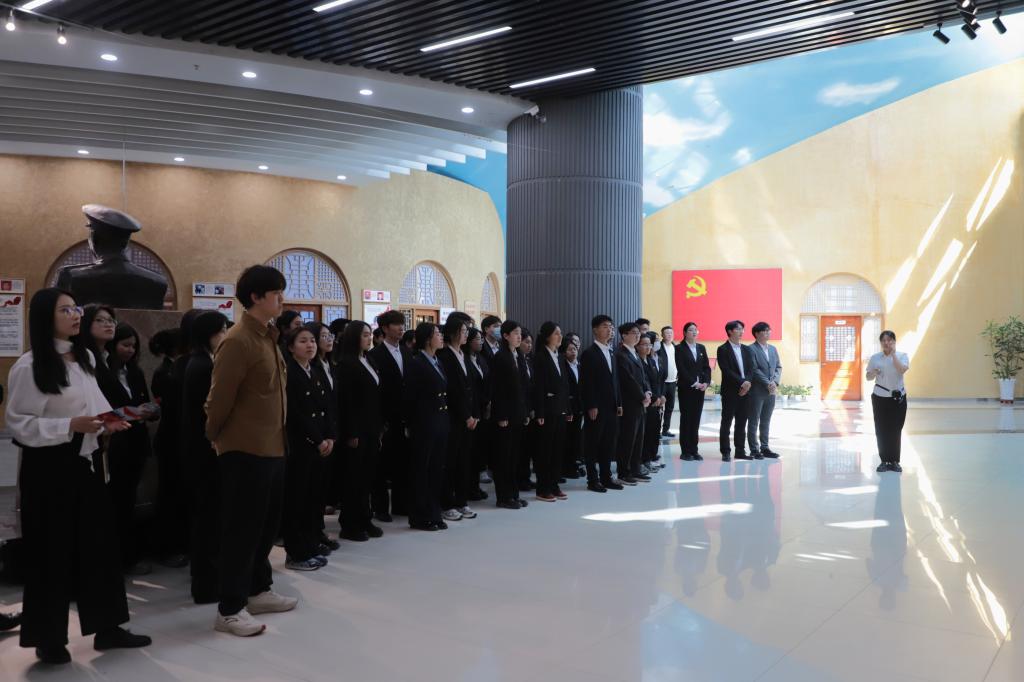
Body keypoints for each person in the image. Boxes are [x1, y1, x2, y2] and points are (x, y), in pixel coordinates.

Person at [5, 288, 150, 664]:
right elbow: (19, 424)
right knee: (50, 551)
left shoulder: (84, 356)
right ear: (45, 317)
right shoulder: (30, 365)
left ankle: (109, 627)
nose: (75, 315)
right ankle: (48, 638)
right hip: (47, 466)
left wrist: (108, 422)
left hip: (86, 461)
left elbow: (94, 404)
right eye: (65, 310)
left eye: (76, 308)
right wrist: (70, 425)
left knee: (99, 545)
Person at [205, 264, 296, 637]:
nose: (282, 299)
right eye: (276, 293)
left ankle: (258, 590)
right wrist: (215, 437)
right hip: (245, 450)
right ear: (256, 297)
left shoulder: (268, 336)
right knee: (242, 531)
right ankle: (229, 609)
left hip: (273, 446)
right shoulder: (239, 340)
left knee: (266, 528)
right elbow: (219, 398)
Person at [181, 310, 229, 604]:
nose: (226, 335)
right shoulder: (202, 366)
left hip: (206, 450)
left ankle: (211, 579)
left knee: (212, 518)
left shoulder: (205, 361)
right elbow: (208, 413)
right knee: (208, 519)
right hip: (204, 452)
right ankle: (206, 584)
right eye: (222, 330)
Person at [103, 322, 156, 575]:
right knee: (113, 503)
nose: (130, 350)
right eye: (125, 345)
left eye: (134, 346)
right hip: (113, 445)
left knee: (128, 501)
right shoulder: (102, 372)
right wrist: (132, 413)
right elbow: (100, 413)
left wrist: (150, 410)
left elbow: (145, 402)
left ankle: (128, 555)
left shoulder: (134, 372)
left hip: (135, 443)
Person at [153, 310, 203, 568]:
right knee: (173, 495)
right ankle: (170, 547)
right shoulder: (178, 368)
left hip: (190, 439)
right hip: (176, 439)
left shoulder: (191, 363)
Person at [282, 326, 335, 567]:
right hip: (302, 445)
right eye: (303, 341)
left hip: (320, 444)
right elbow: (295, 413)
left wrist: (330, 436)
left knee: (313, 499)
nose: (310, 345)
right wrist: (318, 439)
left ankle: (311, 544)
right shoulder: (290, 373)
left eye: (312, 341)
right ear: (291, 347)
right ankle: (296, 552)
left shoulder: (313, 370)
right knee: (298, 501)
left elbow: (326, 407)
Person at [336, 321, 386, 539]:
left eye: (370, 334)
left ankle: (365, 518)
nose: (369, 338)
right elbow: (346, 402)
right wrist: (351, 432)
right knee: (353, 478)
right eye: (365, 335)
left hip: (372, 427)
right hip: (357, 429)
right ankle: (350, 524)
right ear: (354, 337)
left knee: (367, 476)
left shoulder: (369, 359)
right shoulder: (346, 364)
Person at [404, 322, 450, 530]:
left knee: (436, 470)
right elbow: (411, 398)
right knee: (421, 471)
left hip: (439, 422)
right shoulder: (417, 363)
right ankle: (420, 516)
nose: (441, 337)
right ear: (427, 339)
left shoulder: (437, 361)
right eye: (437, 334)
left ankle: (434, 512)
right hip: (424, 424)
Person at [369, 310, 412, 521]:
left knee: (403, 462)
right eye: (396, 324)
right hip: (385, 417)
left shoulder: (406, 352)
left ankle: (401, 504)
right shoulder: (375, 355)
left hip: (405, 416)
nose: (401, 328)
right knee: (382, 465)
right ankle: (380, 508)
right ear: (385, 329)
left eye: (402, 324)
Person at [437, 317, 479, 521]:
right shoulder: (445, 356)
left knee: (464, 461)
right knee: (450, 462)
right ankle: (447, 503)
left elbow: (472, 388)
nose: (466, 334)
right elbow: (453, 391)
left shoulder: (464, 355)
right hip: (454, 418)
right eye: (463, 331)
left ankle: (462, 501)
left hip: (469, 418)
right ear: (453, 333)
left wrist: (475, 415)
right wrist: (466, 415)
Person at [306, 321, 341, 551]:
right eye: (323, 336)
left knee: (322, 488)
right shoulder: (311, 367)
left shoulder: (329, 364)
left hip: (329, 433)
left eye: (330, 336)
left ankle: (318, 531)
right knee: (312, 491)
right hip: (315, 436)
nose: (329, 340)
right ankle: (312, 533)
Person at [581, 315, 623, 492]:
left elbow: (615, 381)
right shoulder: (589, 353)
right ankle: (592, 479)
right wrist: (591, 405)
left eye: (611, 327)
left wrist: (619, 402)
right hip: (596, 407)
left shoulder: (611, 352)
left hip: (611, 406)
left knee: (608, 443)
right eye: (605, 326)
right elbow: (586, 382)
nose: (610, 330)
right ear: (595, 330)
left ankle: (606, 477)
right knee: (593, 443)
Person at [490, 320, 529, 509]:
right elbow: (498, 390)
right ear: (505, 336)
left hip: (518, 413)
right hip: (505, 415)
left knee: (514, 457)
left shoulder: (519, 355)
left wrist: (526, 411)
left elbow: (524, 387)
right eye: (515, 333)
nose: (519, 336)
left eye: (520, 333)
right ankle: (503, 497)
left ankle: (513, 494)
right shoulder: (500, 357)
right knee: (504, 457)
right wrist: (501, 416)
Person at [532, 322, 570, 502]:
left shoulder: (560, 357)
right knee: (545, 451)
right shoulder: (540, 357)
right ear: (547, 336)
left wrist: (568, 408)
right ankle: (543, 488)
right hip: (547, 411)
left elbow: (565, 386)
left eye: (560, 333)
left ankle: (554, 485)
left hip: (560, 409)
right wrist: (539, 413)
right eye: (556, 333)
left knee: (557, 450)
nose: (560, 336)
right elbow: (538, 387)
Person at [866, 330, 910, 473]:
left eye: (890, 340)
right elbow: (868, 377)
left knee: (896, 429)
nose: (887, 343)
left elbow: (901, 370)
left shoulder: (902, 356)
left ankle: (895, 461)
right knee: (881, 429)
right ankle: (884, 461)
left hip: (898, 398)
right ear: (881, 343)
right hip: (880, 397)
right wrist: (874, 372)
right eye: (884, 340)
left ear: (894, 342)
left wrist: (893, 355)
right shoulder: (875, 358)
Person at [615, 321, 651, 485]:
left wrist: (648, 392)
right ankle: (624, 472)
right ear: (624, 335)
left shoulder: (634, 353)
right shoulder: (621, 354)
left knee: (638, 439)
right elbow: (628, 380)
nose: (637, 336)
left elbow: (643, 378)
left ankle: (635, 469)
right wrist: (642, 396)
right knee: (627, 439)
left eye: (638, 333)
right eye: (634, 333)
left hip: (640, 403)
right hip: (629, 403)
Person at [717, 320, 754, 462]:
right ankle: (725, 451)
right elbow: (726, 370)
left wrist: (747, 383)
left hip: (746, 391)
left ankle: (740, 451)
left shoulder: (747, 349)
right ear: (730, 331)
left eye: (742, 329)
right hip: (730, 392)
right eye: (738, 329)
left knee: (742, 422)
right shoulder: (723, 349)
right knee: (726, 422)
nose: (741, 331)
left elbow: (751, 368)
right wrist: (742, 383)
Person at [746, 322, 782, 460]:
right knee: (754, 420)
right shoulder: (751, 349)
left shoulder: (773, 349)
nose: (768, 333)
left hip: (771, 391)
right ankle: (754, 449)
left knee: (766, 420)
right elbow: (754, 369)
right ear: (756, 333)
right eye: (765, 331)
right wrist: (767, 382)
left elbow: (778, 367)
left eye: (769, 330)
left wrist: (775, 382)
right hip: (757, 391)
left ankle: (765, 448)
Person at [676, 322, 711, 461]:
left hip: (700, 389)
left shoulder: (701, 347)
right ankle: (685, 451)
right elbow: (681, 368)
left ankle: (694, 450)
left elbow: (706, 367)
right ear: (685, 333)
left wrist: (706, 382)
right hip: (687, 388)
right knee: (686, 419)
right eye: (691, 330)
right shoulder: (679, 348)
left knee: (696, 419)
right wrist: (694, 383)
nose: (694, 332)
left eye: (696, 330)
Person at [463, 327, 490, 501]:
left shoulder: (481, 359)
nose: (481, 342)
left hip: (483, 410)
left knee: (479, 450)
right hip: (471, 411)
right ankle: (468, 487)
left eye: (481, 339)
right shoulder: (464, 360)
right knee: (469, 452)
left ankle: (475, 486)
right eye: (477, 339)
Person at [639, 332, 666, 472]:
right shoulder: (639, 361)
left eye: (650, 344)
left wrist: (661, 396)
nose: (649, 347)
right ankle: (643, 460)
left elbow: (658, 381)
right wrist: (655, 397)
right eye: (645, 344)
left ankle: (650, 458)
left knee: (654, 431)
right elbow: (644, 383)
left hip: (656, 400)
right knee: (646, 433)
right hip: (647, 401)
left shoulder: (650, 360)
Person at [560, 336, 584, 479]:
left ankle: (574, 464)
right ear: (564, 352)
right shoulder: (562, 365)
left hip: (579, 407)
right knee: (567, 439)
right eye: (569, 350)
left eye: (574, 349)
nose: (573, 352)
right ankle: (566, 467)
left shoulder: (579, 365)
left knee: (576, 438)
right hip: (568, 408)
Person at [517, 327, 537, 491]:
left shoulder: (528, 360)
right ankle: (519, 479)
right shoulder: (516, 360)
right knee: (520, 448)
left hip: (530, 409)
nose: (529, 345)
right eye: (526, 342)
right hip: (520, 410)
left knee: (527, 448)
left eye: (531, 343)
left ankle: (525, 477)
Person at [657, 325, 678, 438]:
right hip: (662, 382)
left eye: (671, 333)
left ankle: (666, 429)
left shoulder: (676, 347)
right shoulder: (659, 347)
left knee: (670, 407)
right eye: (667, 333)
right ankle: (657, 430)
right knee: (659, 407)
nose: (669, 335)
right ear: (662, 335)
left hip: (673, 381)